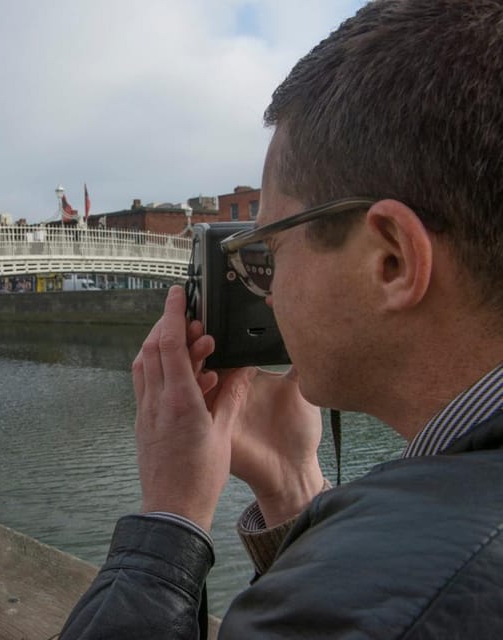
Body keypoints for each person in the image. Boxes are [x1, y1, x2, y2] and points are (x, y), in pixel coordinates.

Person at [60, 1, 503, 638]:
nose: (266, 293)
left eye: (269, 247)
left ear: (391, 260)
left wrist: (168, 521)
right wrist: (295, 487)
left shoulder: (369, 599)